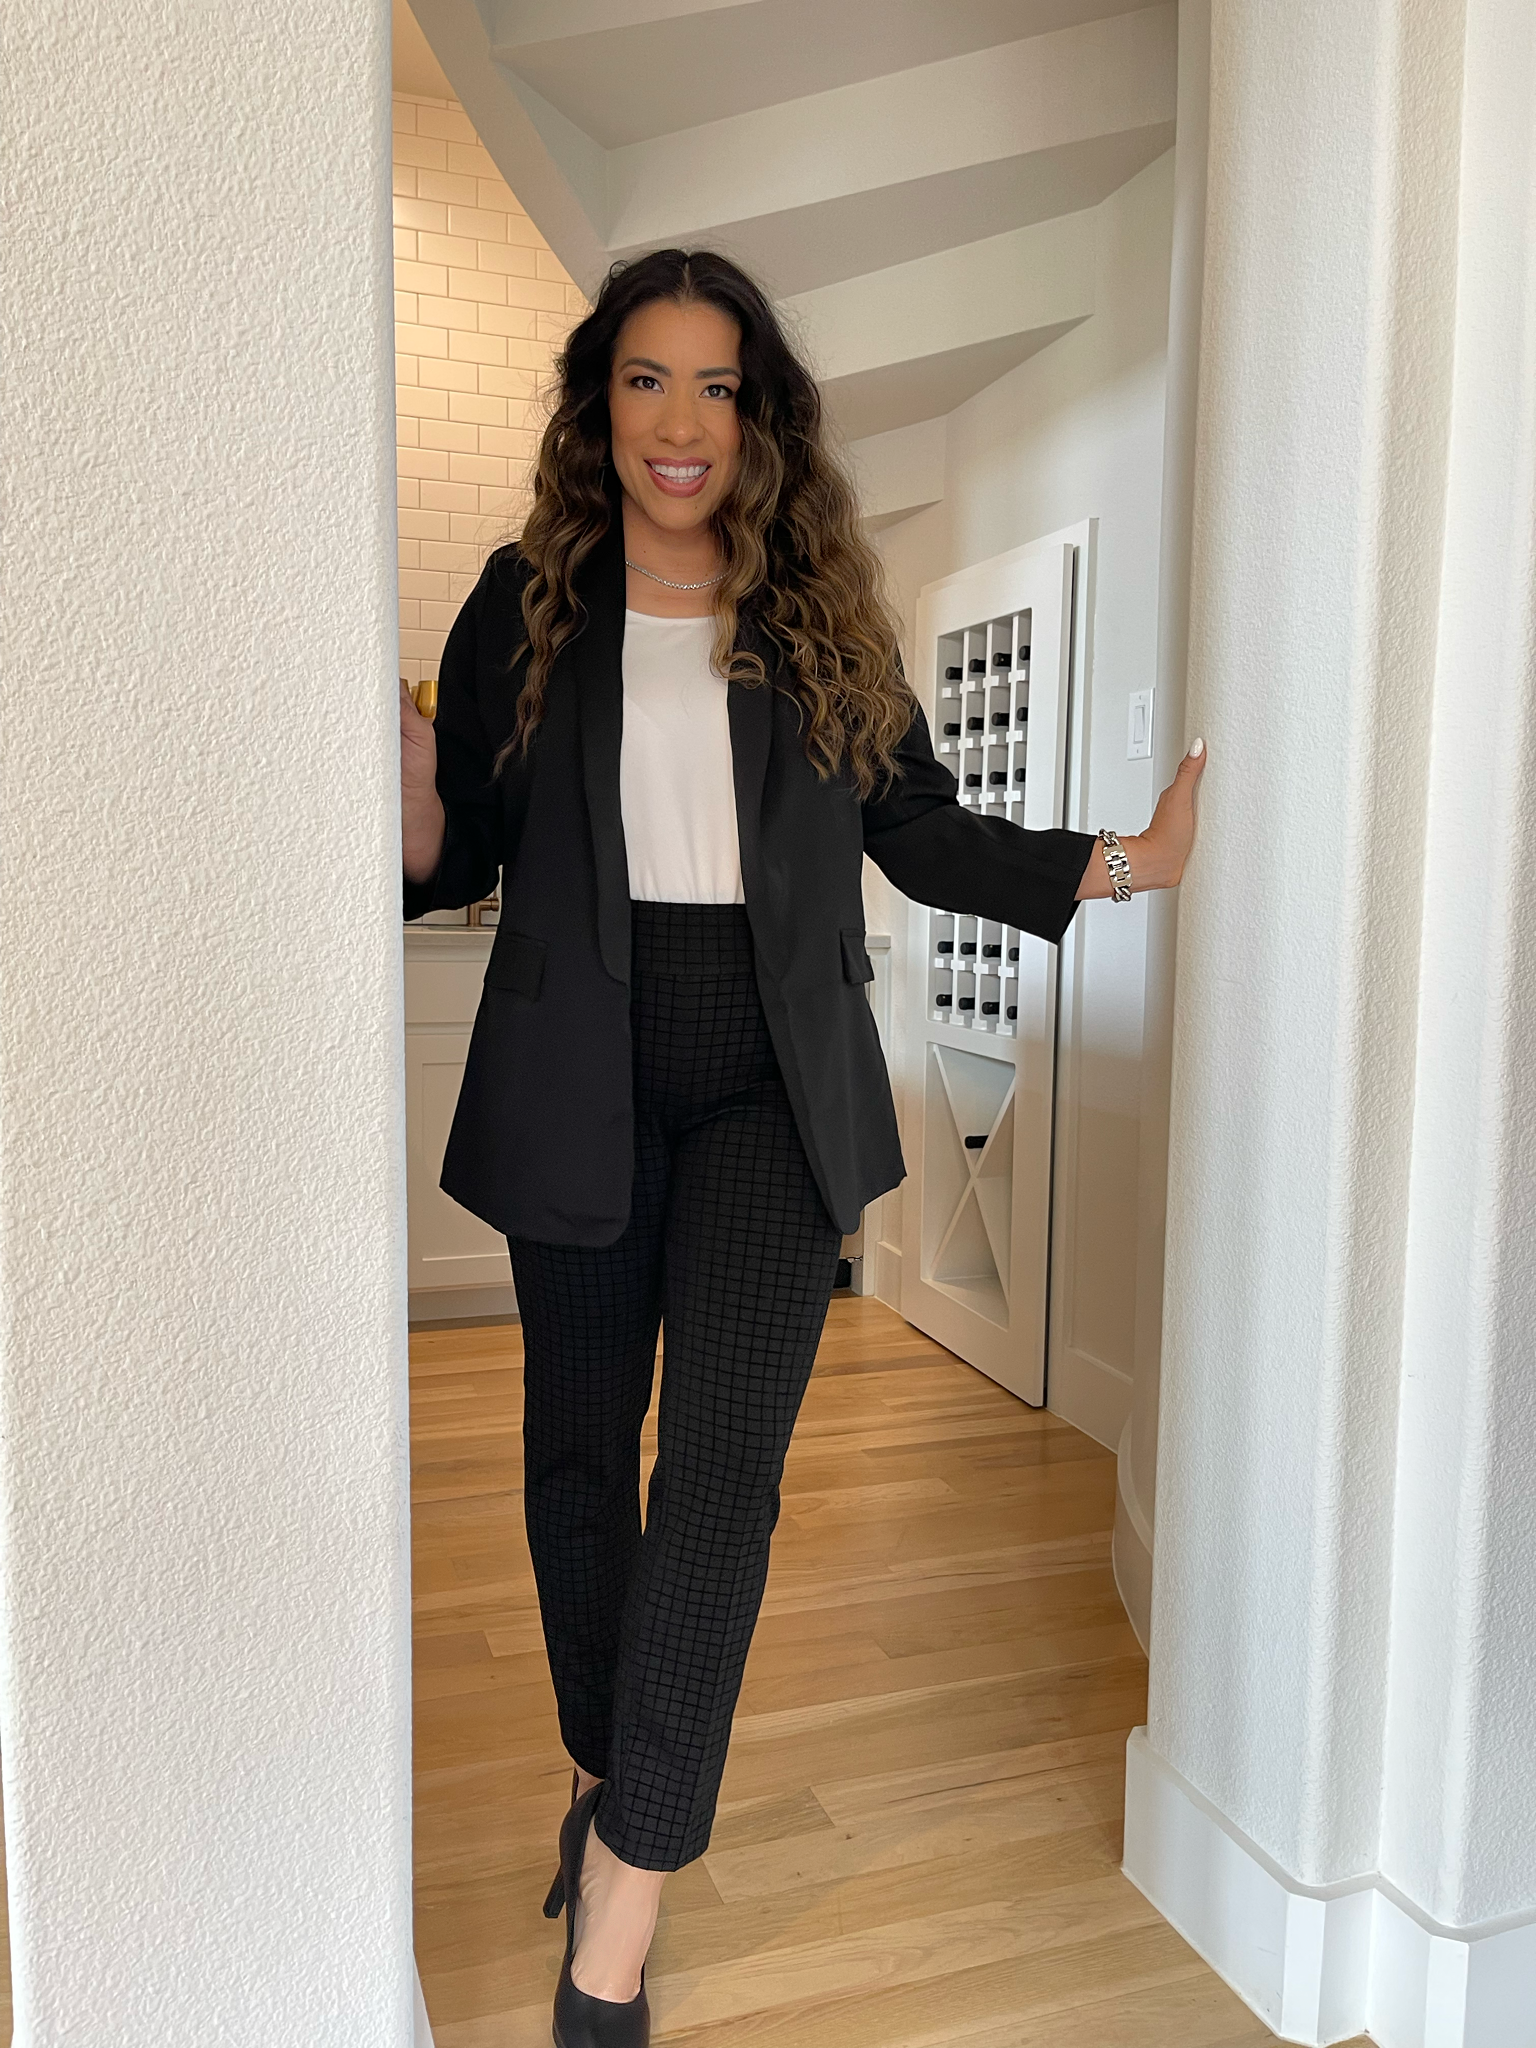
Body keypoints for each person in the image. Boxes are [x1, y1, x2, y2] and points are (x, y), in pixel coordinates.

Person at [400, 245, 1205, 2048]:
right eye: (645, 382)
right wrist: (399, 784)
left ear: (761, 418)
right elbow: (455, 852)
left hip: (776, 1069)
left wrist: (1116, 862)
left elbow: (914, 832)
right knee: (576, 1467)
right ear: (594, 404)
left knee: (725, 1485)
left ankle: (619, 1915)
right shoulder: (525, 598)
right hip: (572, 1062)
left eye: (718, 387)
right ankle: (614, 1772)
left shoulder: (819, 613)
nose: (681, 424)